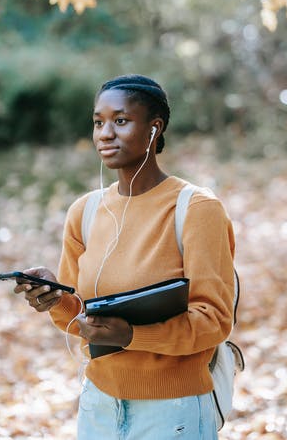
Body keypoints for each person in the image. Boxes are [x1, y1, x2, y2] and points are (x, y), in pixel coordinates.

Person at [13, 74, 236, 439]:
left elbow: (213, 321)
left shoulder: (196, 209)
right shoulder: (84, 211)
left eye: (120, 121)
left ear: (154, 129)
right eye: (98, 122)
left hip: (173, 412)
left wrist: (132, 335)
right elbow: (79, 316)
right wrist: (54, 298)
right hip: (98, 406)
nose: (104, 133)